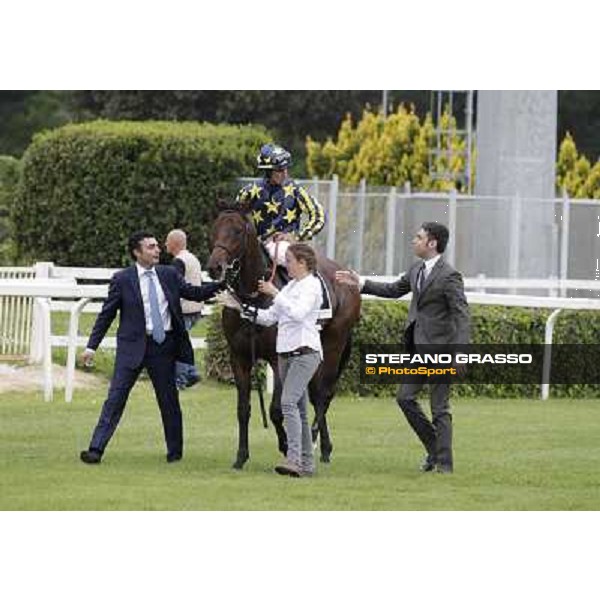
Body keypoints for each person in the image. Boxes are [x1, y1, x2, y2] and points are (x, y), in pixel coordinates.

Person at [79, 231, 224, 465]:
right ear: (137, 252)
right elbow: (106, 315)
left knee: (169, 401)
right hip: (131, 347)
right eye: (150, 247)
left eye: (157, 246)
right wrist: (91, 347)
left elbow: (194, 293)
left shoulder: (169, 274)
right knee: (115, 399)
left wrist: (224, 284)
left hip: (163, 346)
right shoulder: (122, 279)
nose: (157, 250)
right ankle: (95, 449)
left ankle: (175, 453)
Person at [336, 222, 470, 474]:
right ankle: (435, 450)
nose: (413, 240)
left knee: (439, 408)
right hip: (418, 350)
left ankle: (445, 465)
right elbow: (394, 289)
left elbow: (462, 315)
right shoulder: (417, 269)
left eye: (418, 237)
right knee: (405, 398)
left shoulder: (450, 275)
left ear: (432, 243)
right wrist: (361, 283)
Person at [218, 243, 323, 477]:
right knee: (300, 410)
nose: (286, 264)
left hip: (305, 353)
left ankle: (294, 459)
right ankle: (307, 464)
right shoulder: (291, 287)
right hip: (286, 353)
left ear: (303, 263)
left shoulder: (312, 286)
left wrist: (274, 293)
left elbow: (297, 313)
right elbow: (267, 318)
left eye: (289, 260)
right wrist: (239, 306)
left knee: (287, 403)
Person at [235, 143, 325, 267]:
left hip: (283, 246)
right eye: (279, 170)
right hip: (256, 244)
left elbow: (319, 216)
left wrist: (296, 237)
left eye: (286, 168)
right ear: (268, 171)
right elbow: (234, 218)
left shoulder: (295, 190)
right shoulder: (249, 191)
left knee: (283, 257)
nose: (285, 174)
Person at [165, 229, 203, 391]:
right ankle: (192, 372)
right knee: (182, 342)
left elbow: (175, 286)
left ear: (174, 243)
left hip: (184, 310)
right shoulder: (193, 258)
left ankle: (179, 380)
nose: (165, 244)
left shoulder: (179, 262)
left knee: (176, 345)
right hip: (195, 308)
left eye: (167, 241)